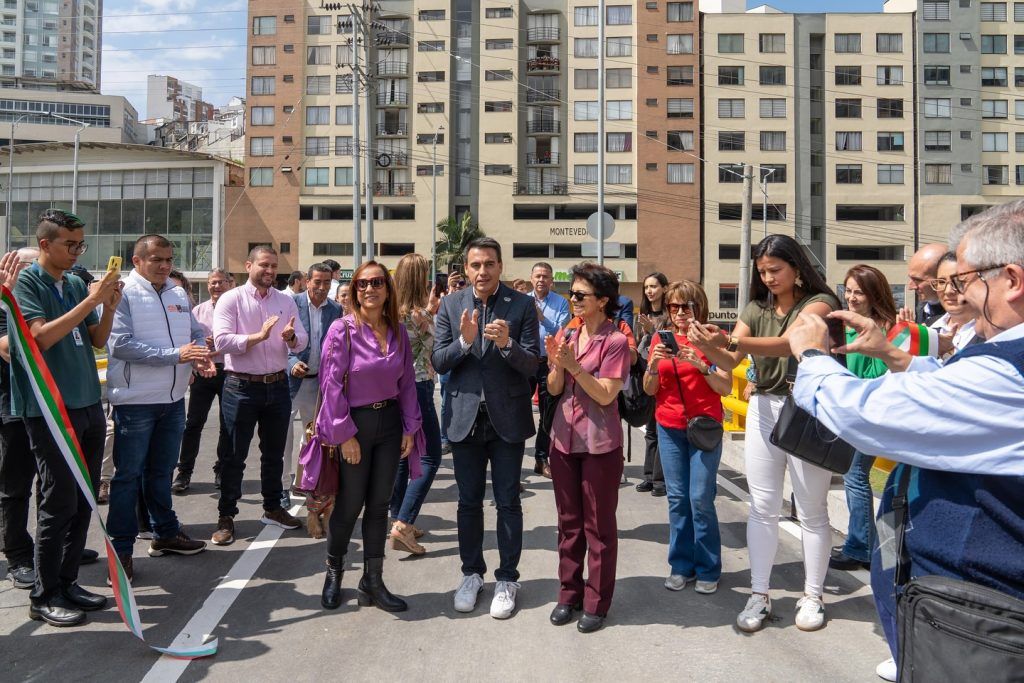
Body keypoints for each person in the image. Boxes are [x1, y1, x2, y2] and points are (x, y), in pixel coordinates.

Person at [786, 200, 1024, 682]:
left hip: (979, 616)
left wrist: (811, 354)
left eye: (963, 281)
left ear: (1012, 280)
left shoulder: (1007, 371)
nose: (949, 294)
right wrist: (893, 354)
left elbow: (867, 415)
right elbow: (949, 381)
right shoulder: (998, 355)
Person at [688, 233, 840, 634]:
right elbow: (731, 358)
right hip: (763, 408)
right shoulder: (756, 307)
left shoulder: (820, 304)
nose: (768, 278)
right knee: (763, 505)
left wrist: (731, 338)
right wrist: (707, 345)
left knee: (811, 508)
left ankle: (812, 595)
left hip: (808, 409)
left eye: (776, 270)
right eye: (762, 272)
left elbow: (792, 345)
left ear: (798, 268)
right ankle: (759, 592)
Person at [11, 209, 121, 626]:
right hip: (49, 409)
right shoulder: (27, 283)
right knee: (56, 502)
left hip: (87, 402)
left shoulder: (74, 283)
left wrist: (108, 307)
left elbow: (96, 339)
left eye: (81, 245)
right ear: (45, 244)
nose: (76, 253)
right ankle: (44, 593)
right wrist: (92, 301)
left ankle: (68, 580)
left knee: (82, 499)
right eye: (69, 245)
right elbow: (40, 337)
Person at [432, 237, 540, 620]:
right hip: (464, 419)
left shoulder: (522, 304)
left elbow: (533, 366)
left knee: (508, 501)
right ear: (467, 268)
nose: (482, 272)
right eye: (475, 265)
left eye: (489, 264)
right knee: (468, 502)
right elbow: (439, 361)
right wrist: (464, 340)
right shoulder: (450, 304)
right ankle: (471, 574)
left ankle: (508, 578)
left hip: (506, 419)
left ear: (499, 266)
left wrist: (509, 344)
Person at [315, 261, 422, 612]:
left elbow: (407, 383)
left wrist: (410, 427)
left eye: (378, 282)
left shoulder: (398, 330)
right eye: (362, 284)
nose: (369, 289)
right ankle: (334, 573)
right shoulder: (341, 330)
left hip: (390, 424)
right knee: (349, 504)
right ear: (354, 290)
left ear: (388, 289)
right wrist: (344, 433)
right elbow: (331, 385)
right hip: (355, 427)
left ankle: (373, 581)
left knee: (379, 507)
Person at [105, 235, 212, 578]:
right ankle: (120, 551)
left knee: (162, 473)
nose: (165, 265)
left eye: (168, 259)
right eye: (156, 259)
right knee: (127, 479)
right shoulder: (121, 293)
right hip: (136, 402)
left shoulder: (178, 293)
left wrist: (199, 356)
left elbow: (195, 333)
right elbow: (120, 345)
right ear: (137, 261)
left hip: (173, 400)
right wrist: (176, 356)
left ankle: (165, 534)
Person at [545, 263, 630, 633]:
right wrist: (557, 365)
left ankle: (597, 601)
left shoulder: (616, 341)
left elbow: (607, 394)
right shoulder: (568, 333)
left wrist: (573, 367)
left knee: (599, 527)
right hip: (563, 438)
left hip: (600, 442)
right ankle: (569, 594)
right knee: (568, 525)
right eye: (572, 294)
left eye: (581, 295)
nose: (573, 300)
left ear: (603, 301)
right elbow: (552, 389)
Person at [211, 246, 307, 546]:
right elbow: (222, 341)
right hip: (241, 386)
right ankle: (226, 516)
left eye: (274, 266)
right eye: (264, 265)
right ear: (248, 264)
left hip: (277, 386)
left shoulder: (284, 301)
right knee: (234, 455)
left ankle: (273, 507)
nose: (270, 271)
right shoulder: (231, 298)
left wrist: (291, 338)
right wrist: (258, 337)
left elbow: (300, 340)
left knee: (274, 453)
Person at [642, 281, 732, 595]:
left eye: (687, 306)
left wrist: (702, 365)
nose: (680, 313)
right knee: (678, 499)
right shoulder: (659, 339)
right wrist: (652, 367)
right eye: (674, 307)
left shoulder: (713, 337)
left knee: (700, 499)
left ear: (699, 306)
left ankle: (708, 567)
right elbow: (649, 390)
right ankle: (681, 564)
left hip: (704, 427)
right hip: (669, 426)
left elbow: (726, 388)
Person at [828, 265, 898, 573]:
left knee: (855, 476)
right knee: (853, 475)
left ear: (874, 295)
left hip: (869, 415)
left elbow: (876, 375)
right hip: (850, 414)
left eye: (859, 292)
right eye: (848, 291)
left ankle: (861, 547)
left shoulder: (880, 329)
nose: (852, 298)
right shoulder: (844, 325)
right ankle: (866, 546)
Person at [388, 254, 442, 555]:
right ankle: (403, 523)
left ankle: (397, 515)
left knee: (402, 456)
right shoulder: (419, 315)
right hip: (419, 388)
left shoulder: (391, 313)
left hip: (394, 390)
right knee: (431, 457)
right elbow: (432, 350)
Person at [173, 268, 233, 493]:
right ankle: (184, 472)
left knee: (228, 425)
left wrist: (222, 343)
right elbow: (186, 338)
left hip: (228, 372)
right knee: (193, 424)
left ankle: (221, 469)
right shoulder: (197, 311)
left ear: (230, 283)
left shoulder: (236, 309)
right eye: (213, 283)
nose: (216, 286)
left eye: (221, 282)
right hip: (202, 373)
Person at [285, 263, 342, 503]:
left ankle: (307, 483)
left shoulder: (336, 309)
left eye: (326, 283)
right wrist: (291, 363)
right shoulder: (290, 304)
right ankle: (281, 489)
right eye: (317, 282)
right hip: (289, 382)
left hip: (318, 385)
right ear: (306, 281)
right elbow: (280, 341)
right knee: (283, 439)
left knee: (313, 439)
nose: (321, 287)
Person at [0, 248, 36, 589]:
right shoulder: (3, 306)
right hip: (13, 410)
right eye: (28, 267)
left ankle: (50, 547)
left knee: (54, 485)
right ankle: (18, 554)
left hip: (49, 409)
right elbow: (11, 349)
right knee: (15, 488)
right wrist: (12, 301)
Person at [530, 261, 570, 480]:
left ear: (551, 280)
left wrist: (542, 318)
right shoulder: (523, 300)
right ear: (531, 278)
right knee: (515, 410)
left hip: (549, 362)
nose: (541, 280)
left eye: (545, 276)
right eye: (538, 276)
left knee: (547, 413)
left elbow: (561, 331)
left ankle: (541, 458)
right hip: (525, 361)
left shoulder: (561, 303)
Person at [634, 272, 669, 496]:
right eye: (647, 287)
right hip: (646, 375)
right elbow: (639, 346)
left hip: (664, 376)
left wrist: (652, 331)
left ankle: (660, 480)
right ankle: (648, 476)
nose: (649, 291)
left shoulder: (669, 315)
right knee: (650, 431)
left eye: (654, 286)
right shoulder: (644, 314)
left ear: (664, 288)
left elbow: (669, 344)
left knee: (661, 430)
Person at [929, 252, 979, 355]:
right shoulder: (929, 327)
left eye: (958, 282)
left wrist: (949, 353)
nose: (948, 291)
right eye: (941, 282)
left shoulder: (992, 332)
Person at [905, 243, 947, 324]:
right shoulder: (922, 308)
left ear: (941, 280)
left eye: (917, 280)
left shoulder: (962, 315)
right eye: (911, 278)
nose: (910, 287)